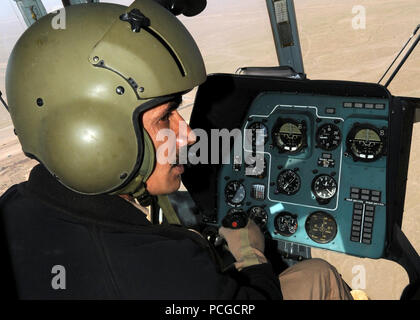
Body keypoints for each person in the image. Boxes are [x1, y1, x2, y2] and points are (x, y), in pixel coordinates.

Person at [0, 0, 352, 300]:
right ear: (93, 135)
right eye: (166, 117)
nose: (188, 137)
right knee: (319, 273)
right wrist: (250, 254)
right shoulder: (160, 267)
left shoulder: (15, 204)